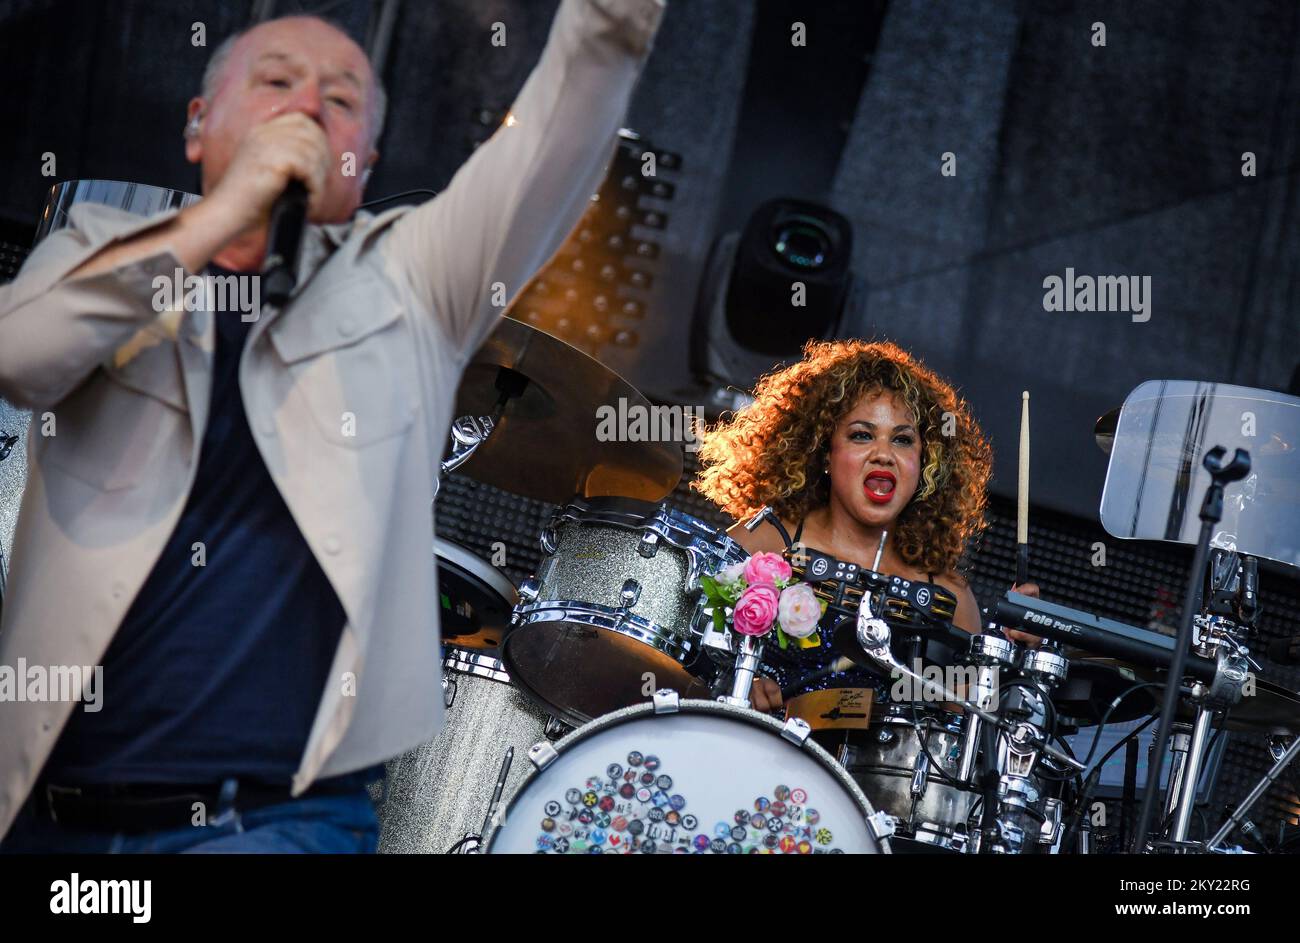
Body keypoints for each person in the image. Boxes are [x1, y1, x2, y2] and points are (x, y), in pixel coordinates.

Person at [0, 0, 665, 852]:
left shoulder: (414, 286)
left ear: (366, 162)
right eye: (276, 81)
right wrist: (221, 218)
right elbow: (22, 353)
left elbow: (552, 138)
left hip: (273, 822)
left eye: (342, 99)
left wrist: (612, 20)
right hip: (55, 815)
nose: (309, 104)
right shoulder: (101, 248)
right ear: (198, 126)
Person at [693, 338, 1038, 712]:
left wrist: (1011, 653)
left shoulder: (948, 593)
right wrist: (736, 683)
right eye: (862, 435)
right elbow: (685, 663)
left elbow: (966, 721)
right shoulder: (764, 540)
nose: (884, 454)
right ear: (824, 450)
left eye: (903, 440)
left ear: (926, 465)